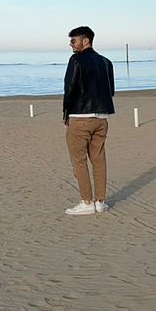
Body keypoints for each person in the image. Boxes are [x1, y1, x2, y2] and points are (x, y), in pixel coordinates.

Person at [62, 26, 116, 216]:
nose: (71, 44)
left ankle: (86, 202)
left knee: (79, 161)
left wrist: (66, 114)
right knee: (99, 160)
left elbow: (69, 88)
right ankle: (100, 202)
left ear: (86, 41)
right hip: (102, 118)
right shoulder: (106, 62)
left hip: (80, 117)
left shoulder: (76, 60)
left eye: (73, 40)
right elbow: (111, 91)